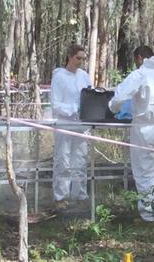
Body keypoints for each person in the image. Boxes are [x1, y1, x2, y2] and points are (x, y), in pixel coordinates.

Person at [109, 45, 154, 225]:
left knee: (145, 172)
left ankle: (150, 216)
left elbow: (119, 97)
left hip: (144, 129)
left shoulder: (140, 74)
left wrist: (112, 108)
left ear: (140, 58)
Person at [50, 43, 92, 206]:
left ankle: (80, 195)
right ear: (69, 56)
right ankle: (61, 196)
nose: (80, 61)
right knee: (63, 160)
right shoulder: (59, 76)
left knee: (80, 161)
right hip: (64, 124)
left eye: (83, 59)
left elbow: (90, 95)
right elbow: (56, 104)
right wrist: (74, 109)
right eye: (77, 58)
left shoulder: (84, 76)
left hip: (82, 125)